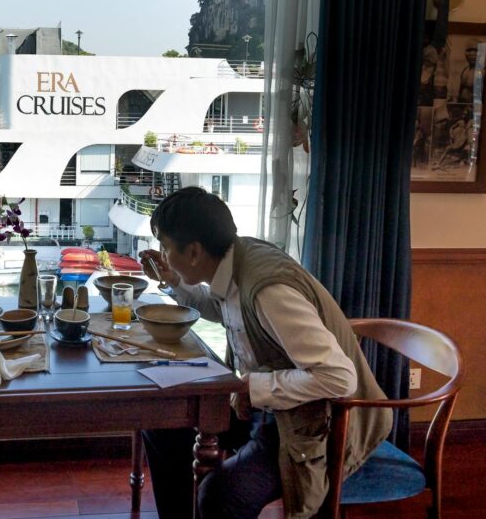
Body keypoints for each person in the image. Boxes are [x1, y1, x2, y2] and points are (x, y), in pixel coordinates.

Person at [139, 187, 390, 519]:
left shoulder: (269, 290)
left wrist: (252, 388)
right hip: (267, 407)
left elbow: (339, 378)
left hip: (313, 423)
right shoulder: (233, 260)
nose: (163, 254)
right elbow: (222, 309)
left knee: (219, 496)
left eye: (166, 247)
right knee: (163, 426)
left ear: (195, 252)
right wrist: (174, 280)